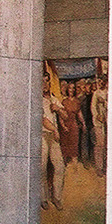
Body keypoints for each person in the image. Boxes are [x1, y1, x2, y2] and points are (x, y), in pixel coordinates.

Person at [41, 71, 65, 210]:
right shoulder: (37, 99)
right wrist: (55, 130)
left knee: (60, 166)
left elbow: (66, 115)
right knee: (42, 168)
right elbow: (43, 120)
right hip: (43, 135)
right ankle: (43, 198)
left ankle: (56, 197)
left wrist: (59, 110)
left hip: (53, 137)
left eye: (47, 81)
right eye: (42, 81)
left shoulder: (53, 98)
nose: (45, 84)